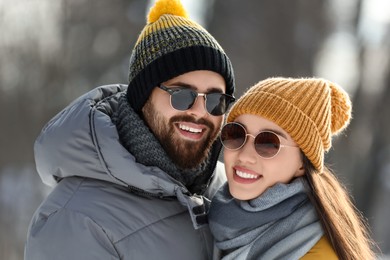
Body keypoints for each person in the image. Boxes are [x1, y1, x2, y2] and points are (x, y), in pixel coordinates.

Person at [24, 0, 235, 259]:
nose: (200, 112)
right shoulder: (76, 221)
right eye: (182, 95)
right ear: (142, 98)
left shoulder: (232, 189)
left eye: (216, 101)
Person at [208, 77, 377, 259]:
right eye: (236, 134)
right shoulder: (215, 217)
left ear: (302, 164)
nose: (244, 156)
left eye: (268, 143)